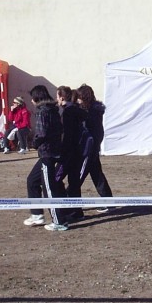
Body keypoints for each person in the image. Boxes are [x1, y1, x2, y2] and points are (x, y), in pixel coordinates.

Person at [23, 85, 68, 231]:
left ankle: (59, 221)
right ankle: (37, 214)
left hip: (47, 154)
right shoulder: (54, 110)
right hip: (51, 152)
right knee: (32, 181)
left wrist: (34, 143)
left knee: (49, 188)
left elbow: (41, 134)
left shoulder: (43, 112)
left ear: (36, 98)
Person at [76, 84, 113, 212]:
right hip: (92, 148)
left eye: (80, 97)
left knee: (78, 177)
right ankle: (108, 200)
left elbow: (92, 132)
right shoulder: (94, 111)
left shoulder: (90, 113)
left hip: (88, 149)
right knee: (97, 174)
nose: (77, 100)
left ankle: (70, 203)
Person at [56, 86, 86, 222]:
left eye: (57, 96)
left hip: (69, 152)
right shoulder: (78, 111)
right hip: (78, 151)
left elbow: (67, 136)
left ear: (61, 97)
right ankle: (76, 211)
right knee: (74, 182)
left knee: (56, 179)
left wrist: (62, 151)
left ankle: (65, 208)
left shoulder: (67, 112)